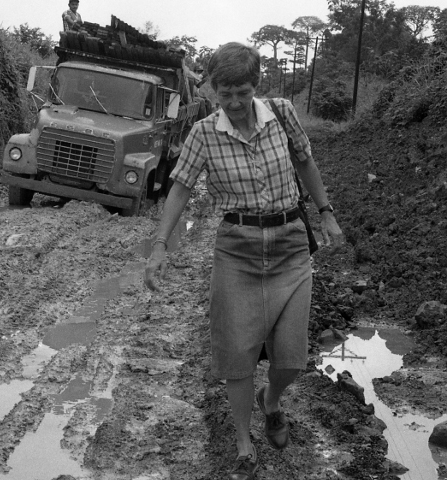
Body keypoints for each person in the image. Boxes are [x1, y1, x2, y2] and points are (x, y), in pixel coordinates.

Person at [143, 42, 344, 480]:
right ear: (213, 90)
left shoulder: (283, 113)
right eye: (225, 93)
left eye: (243, 92)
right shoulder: (203, 133)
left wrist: (326, 214)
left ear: (256, 86)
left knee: (291, 358)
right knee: (237, 355)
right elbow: (179, 188)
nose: (234, 103)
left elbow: (306, 163)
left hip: (291, 245)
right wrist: (159, 245)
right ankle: (242, 441)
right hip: (237, 248)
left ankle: (270, 401)